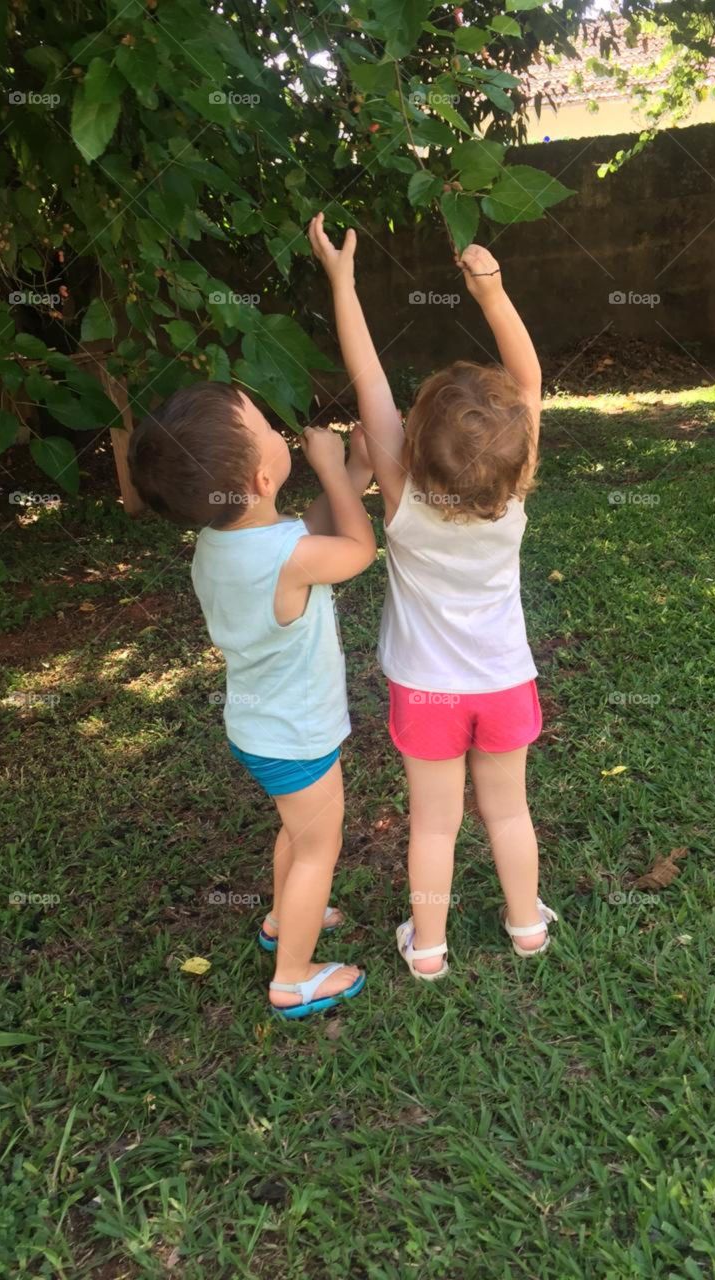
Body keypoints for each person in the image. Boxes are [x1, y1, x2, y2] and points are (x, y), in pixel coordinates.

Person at [308, 210, 558, 980]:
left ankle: (428, 948)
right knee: (509, 811)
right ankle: (526, 928)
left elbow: (368, 378)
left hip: (428, 695)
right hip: (506, 685)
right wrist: (492, 293)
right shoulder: (511, 494)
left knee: (435, 824)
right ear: (517, 455)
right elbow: (530, 383)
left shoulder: (401, 496)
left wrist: (343, 282)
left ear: (413, 442)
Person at [128, 381, 375, 1016]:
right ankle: (294, 976)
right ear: (265, 478)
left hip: (260, 730)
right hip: (298, 736)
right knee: (320, 845)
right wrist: (332, 468)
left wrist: (353, 473)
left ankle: (283, 917)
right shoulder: (287, 556)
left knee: (297, 832)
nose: (279, 428)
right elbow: (356, 550)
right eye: (268, 426)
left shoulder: (220, 545)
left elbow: (307, 538)